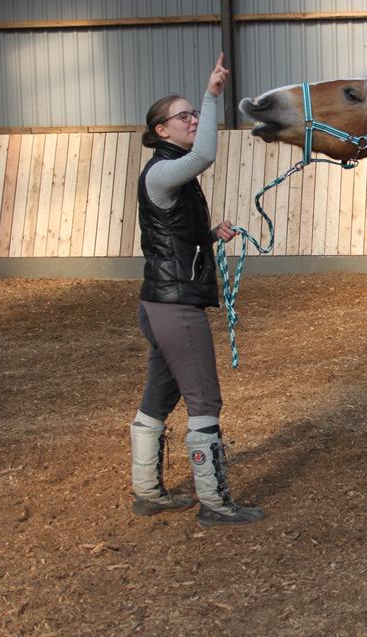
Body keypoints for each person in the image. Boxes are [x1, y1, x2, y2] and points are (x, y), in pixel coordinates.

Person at [128, 52, 264, 527]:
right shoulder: (165, 171)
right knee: (204, 401)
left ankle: (146, 491)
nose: (191, 120)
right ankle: (215, 503)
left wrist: (210, 234)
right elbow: (206, 153)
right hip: (175, 307)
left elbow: (169, 235)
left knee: (158, 399)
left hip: (161, 303)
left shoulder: (171, 174)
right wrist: (211, 96)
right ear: (161, 131)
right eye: (182, 116)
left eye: (193, 113)